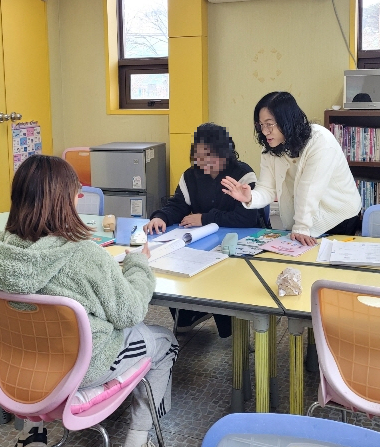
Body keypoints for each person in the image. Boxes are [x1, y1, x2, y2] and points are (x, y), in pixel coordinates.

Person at [0, 155, 183, 447]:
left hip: (19, 368)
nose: (79, 198)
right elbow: (131, 311)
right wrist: (138, 266)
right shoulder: (84, 255)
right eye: (75, 193)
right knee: (165, 342)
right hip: (80, 367)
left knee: (34, 325)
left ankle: (31, 435)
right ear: (63, 200)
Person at [145, 123, 259, 337]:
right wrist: (160, 217)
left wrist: (204, 218)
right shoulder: (190, 176)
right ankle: (189, 315)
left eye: (209, 156)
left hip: (237, 243)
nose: (202, 162)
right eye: (198, 156)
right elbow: (178, 205)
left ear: (224, 153)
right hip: (202, 242)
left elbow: (246, 218)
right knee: (173, 264)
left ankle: (229, 327)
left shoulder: (243, 174)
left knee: (222, 276)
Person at [221, 92, 362, 245]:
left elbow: (309, 189)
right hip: (304, 222)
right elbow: (267, 188)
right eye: (261, 125)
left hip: (338, 216)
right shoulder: (270, 148)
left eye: (269, 124)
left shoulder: (320, 141)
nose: (264, 131)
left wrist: (301, 227)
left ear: (287, 121)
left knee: (327, 259)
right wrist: (250, 197)